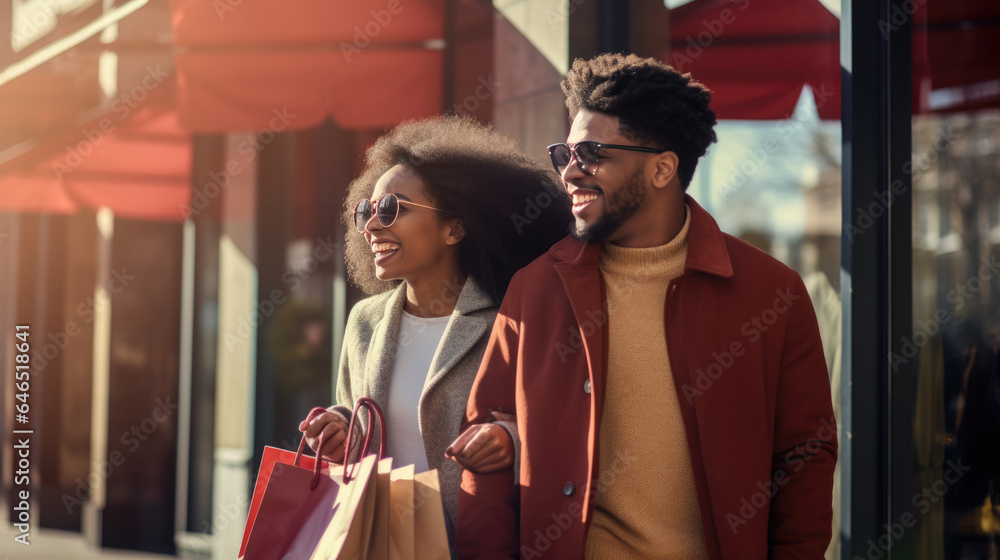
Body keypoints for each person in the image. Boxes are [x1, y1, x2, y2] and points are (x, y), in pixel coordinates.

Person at [455, 53, 838, 559]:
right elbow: (484, 447)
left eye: (591, 153)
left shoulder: (771, 294)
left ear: (662, 168)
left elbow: (804, 457)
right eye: (564, 154)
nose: (570, 173)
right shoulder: (535, 289)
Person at [298, 116, 572, 547]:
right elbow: (359, 422)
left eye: (391, 209)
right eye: (367, 211)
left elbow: (557, 430)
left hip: (471, 543)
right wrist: (339, 430)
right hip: (379, 544)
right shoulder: (365, 321)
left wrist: (511, 442)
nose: (371, 225)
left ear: (454, 228)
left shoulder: (512, 320)